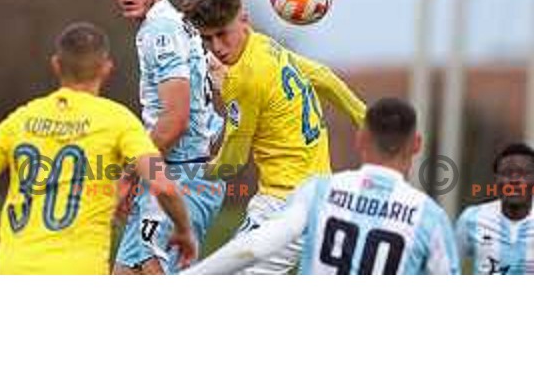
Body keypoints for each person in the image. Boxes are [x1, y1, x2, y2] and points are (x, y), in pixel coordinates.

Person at [0, 22, 195, 275]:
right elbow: (163, 185)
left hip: (15, 268)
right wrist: (183, 230)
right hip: (79, 269)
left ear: (56, 65)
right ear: (106, 68)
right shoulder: (119, 120)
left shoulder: (21, 119)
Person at [181, 0, 366, 274]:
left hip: (281, 207)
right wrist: (364, 117)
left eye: (222, 34)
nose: (216, 47)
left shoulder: (243, 80)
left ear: (243, 20)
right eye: (207, 39)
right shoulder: (264, 45)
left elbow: (232, 162)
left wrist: (184, 172)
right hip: (320, 198)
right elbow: (324, 76)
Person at [183, 98, 459, 275]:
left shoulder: (319, 191)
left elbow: (255, 247)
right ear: (417, 145)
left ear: (360, 139)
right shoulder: (430, 217)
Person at [106, 0, 225, 274]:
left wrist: (130, 175)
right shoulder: (171, 23)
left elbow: (176, 120)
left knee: (152, 273)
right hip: (169, 174)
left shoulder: (160, 31)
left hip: (185, 175)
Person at [455, 143, 534, 274]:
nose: (514, 180)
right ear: (496, 179)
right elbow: (447, 269)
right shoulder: (471, 219)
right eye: (506, 173)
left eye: (523, 173)